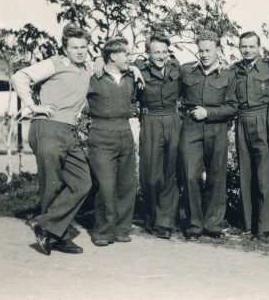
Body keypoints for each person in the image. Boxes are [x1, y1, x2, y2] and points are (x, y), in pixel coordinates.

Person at [11, 24, 93, 255]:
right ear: (65, 49)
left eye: (83, 47)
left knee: (82, 183)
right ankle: (59, 236)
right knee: (52, 185)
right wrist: (32, 106)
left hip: (69, 131)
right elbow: (20, 76)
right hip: (47, 127)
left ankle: (46, 226)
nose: (79, 51)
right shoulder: (54, 63)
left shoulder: (87, 66)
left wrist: (135, 69)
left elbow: (115, 63)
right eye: (74, 47)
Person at [178, 30, 238, 241]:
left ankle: (213, 224)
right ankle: (194, 225)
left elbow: (232, 107)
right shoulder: (186, 71)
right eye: (201, 50)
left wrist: (209, 113)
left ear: (218, 50)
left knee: (217, 177)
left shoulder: (229, 75)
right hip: (191, 128)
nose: (204, 54)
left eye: (208, 50)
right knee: (190, 176)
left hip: (217, 129)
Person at [87, 37, 137, 246]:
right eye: (126, 54)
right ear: (114, 55)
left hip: (125, 132)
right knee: (106, 186)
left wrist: (136, 68)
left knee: (127, 185)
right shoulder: (92, 75)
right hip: (101, 134)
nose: (129, 57)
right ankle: (103, 232)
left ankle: (122, 229)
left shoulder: (131, 76)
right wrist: (98, 59)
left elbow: (144, 64)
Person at [231, 31, 269, 240]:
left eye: (251, 46)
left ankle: (267, 227)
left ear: (259, 47)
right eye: (244, 46)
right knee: (247, 174)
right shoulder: (236, 70)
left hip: (263, 119)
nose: (247, 50)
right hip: (242, 120)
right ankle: (249, 225)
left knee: (265, 176)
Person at [136, 35, 181, 240]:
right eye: (156, 52)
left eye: (164, 51)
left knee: (170, 172)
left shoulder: (176, 68)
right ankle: (151, 216)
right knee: (151, 175)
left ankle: (165, 222)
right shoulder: (139, 71)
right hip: (151, 120)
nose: (161, 56)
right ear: (148, 54)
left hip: (172, 119)